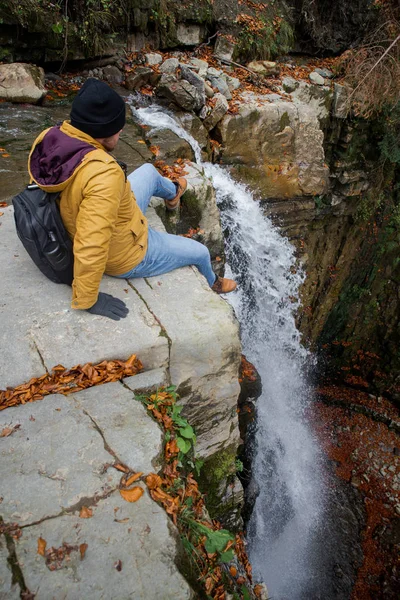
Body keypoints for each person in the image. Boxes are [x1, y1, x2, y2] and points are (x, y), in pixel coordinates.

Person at [28, 78, 236, 320]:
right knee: (200, 252)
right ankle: (213, 282)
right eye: (118, 127)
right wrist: (87, 298)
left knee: (148, 171)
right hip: (127, 253)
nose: (121, 131)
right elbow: (92, 241)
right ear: (104, 132)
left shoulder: (50, 138)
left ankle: (173, 194)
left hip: (116, 216)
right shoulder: (103, 175)